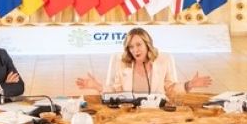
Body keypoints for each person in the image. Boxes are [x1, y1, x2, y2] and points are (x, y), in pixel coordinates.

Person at [75, 27, 212, 96]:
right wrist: (97, 86)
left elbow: (170, 89)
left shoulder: (163, 61)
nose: (135, 50)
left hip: (156, 113)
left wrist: (189, 85)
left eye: (139, 45)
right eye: (131, 47)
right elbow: (116, 91)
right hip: (129, 113)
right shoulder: (123, 63)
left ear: (147, 44)